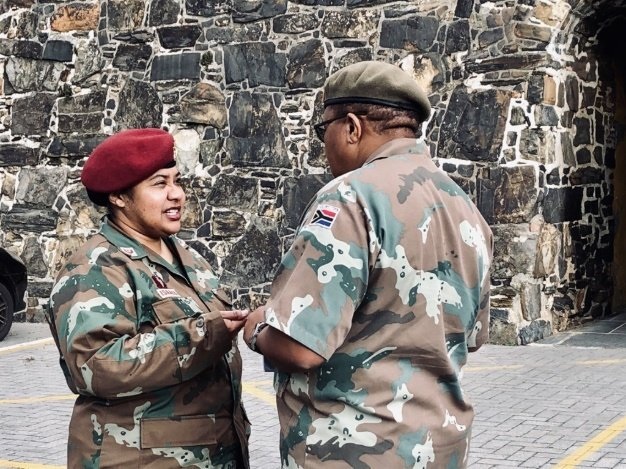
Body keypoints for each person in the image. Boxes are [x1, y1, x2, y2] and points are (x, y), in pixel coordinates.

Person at [243, 61, 493, 468]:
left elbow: (300, 346)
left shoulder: (349, 198)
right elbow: (471, 336)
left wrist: (257, 329)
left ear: (353, 127)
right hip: (439, 450)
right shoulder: (464, 207)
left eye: (323, 131)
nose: (323, 146)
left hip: (353, 451)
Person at [47, 128, 250, 468]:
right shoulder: (93, 269)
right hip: (137, 458)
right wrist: (202, 334)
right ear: (119, 197)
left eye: (177, 181)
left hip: (210, 453)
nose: (177, 195)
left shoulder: (186, 256)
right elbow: (96, 367)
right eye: (159, 184)